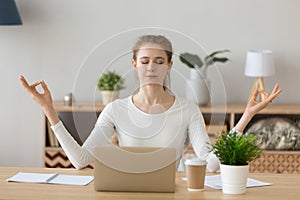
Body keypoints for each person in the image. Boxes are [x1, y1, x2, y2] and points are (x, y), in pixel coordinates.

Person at [19, 35, 282, 172]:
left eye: (159, 61)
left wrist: (246, 117)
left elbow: (211, 163)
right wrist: (49, 110)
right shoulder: (116, 110)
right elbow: (80, 160)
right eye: (144, 61)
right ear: (134, 65)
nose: (151, 67)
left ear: (169, 65)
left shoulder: (188, 109)